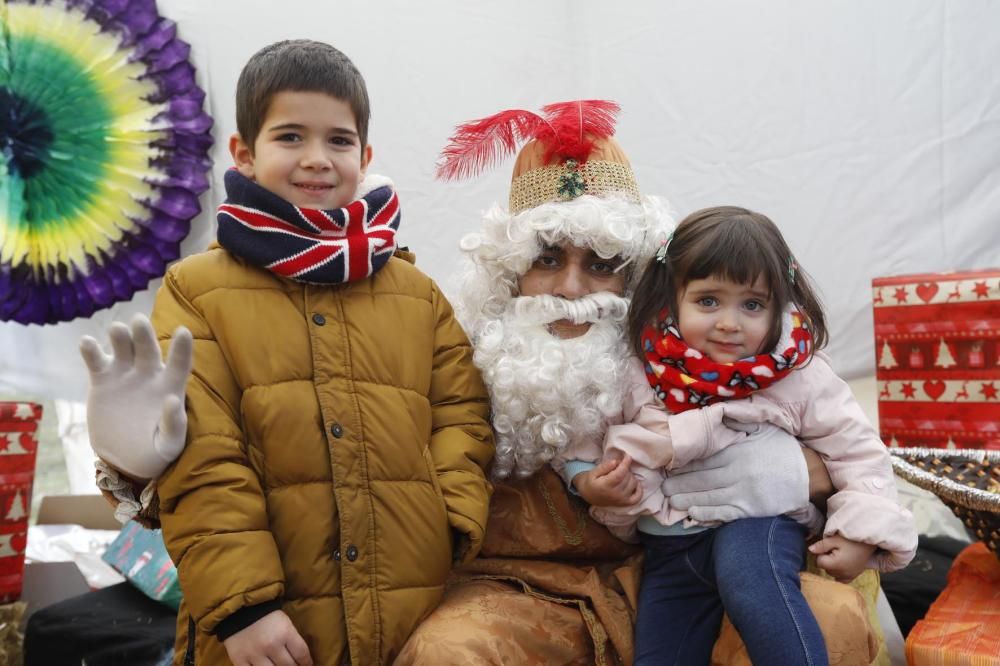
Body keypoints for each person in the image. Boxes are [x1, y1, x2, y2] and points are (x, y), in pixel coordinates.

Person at [83, 100, 891, 664]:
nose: (574, 288)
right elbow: (322, 439)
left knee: (826, 623)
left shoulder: (706, 353)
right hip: (514, 589)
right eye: (548, 259)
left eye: (603, 264)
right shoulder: (453, 342)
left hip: (687, 573)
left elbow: (830, 449)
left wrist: (801, 476)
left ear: (646, 282)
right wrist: (131, 462)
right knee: (449, 654)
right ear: (507, 274)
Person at [80, 39, 494, 665]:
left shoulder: (416, 294)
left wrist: (448, 524)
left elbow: (463, 417)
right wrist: (244, 606)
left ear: (366, 154)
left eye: (338, 140)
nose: (317, 160)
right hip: (262, 634)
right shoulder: (198, 290)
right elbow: (206, 459)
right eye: (291, 137)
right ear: (244, 154)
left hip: (411, 610)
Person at [553, 206, 917, 664]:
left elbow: (858, 453)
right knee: (661, 653)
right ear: (672, 298)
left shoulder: (796, 375)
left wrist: (861, 532)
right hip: (669, 546)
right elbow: (582, 437)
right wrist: (588, 480)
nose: (730, 322)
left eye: (752, 304)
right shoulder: (638, 370)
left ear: (779, 306)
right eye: (708, 301)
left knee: (754, 586)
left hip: (756, 527)